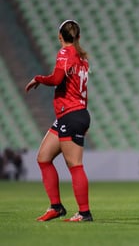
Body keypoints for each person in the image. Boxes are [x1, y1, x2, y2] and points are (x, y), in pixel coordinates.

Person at [25, 20, 92, 222]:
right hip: (72, 114)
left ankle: (84, 212)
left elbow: (56, 79)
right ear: (78, 37)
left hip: (71, 114)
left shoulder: (65, 53)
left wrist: (38, 78)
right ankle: (56, 207)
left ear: (59, 36)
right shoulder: (83, 58)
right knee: (43, 158)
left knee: (74, 164)